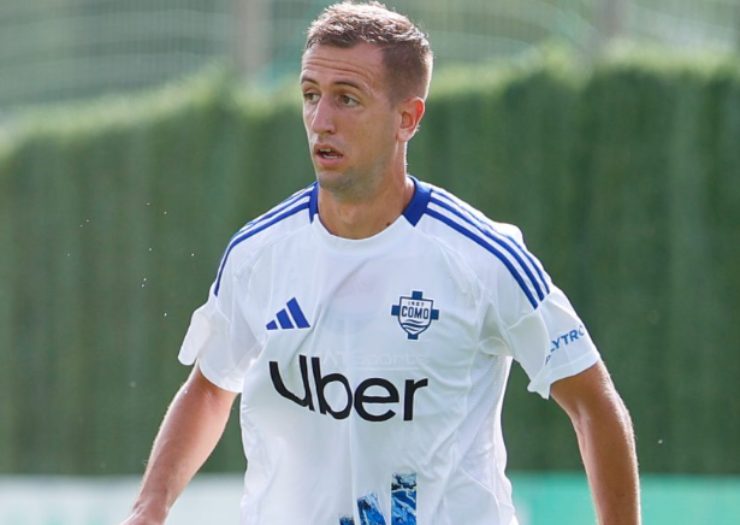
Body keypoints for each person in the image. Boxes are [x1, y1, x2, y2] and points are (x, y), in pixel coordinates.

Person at [122, 2, 640, 524]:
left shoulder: (483, 259)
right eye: (310, 95)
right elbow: (210, 388)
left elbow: (592, 402)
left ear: (407, 119)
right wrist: (149, 507)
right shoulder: (258, 254)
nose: (321, 121)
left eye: (347, 99)